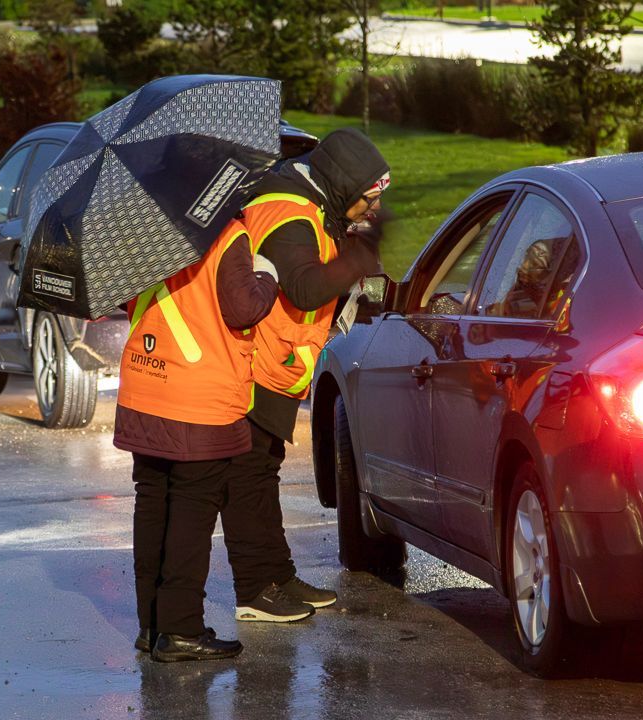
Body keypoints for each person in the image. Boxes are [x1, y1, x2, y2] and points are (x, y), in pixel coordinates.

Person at [220, 127, 392, 622]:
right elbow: (301, 286)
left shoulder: (312, 206)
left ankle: (278, 574)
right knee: (248, 479)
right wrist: (355, 258)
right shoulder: (287, 210)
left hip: (277, 360)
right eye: (369, 198)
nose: (373, 209)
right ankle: (255, 588)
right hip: (255, 362)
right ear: (343, 184)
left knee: (262, 472)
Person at [114, 216, 280, 661]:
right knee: (193, 506)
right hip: (197, 394)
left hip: (145, 384)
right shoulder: (226, 232)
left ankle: (152, 626)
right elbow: (244, 308)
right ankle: (182, 628)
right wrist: (267, 275)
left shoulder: (140, 227)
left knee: (153, 502)